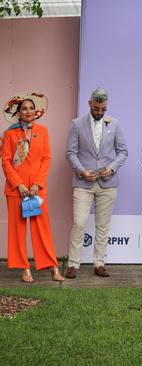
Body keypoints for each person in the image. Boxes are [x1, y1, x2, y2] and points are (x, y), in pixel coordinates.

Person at [64, 88, 128, 279]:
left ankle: (99, 263)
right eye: (97, 108)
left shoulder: (115, 124)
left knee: (103, 225)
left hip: (108, 183)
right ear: (90, 103)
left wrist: (112, 168)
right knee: (79, 223)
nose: (100, 112)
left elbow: (123, 151)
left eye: (103, 109)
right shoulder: (77, 124)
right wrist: (82, 171)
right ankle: (73, 264)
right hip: (83, 183)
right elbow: (70, 153)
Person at [1, 91, 64, 282]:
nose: (28, 111)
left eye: (31, 108)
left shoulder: (42, 131)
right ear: (18, 112)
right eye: (24, 108)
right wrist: (19, 184)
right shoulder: (9, 134)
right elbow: (6, 161)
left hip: (37, 189)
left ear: (36, 111)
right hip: (15, 190)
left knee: (41, 228)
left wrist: (37, 183)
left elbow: (46, 159)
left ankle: (52, 266)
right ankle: (24, 267)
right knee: (17, 230)